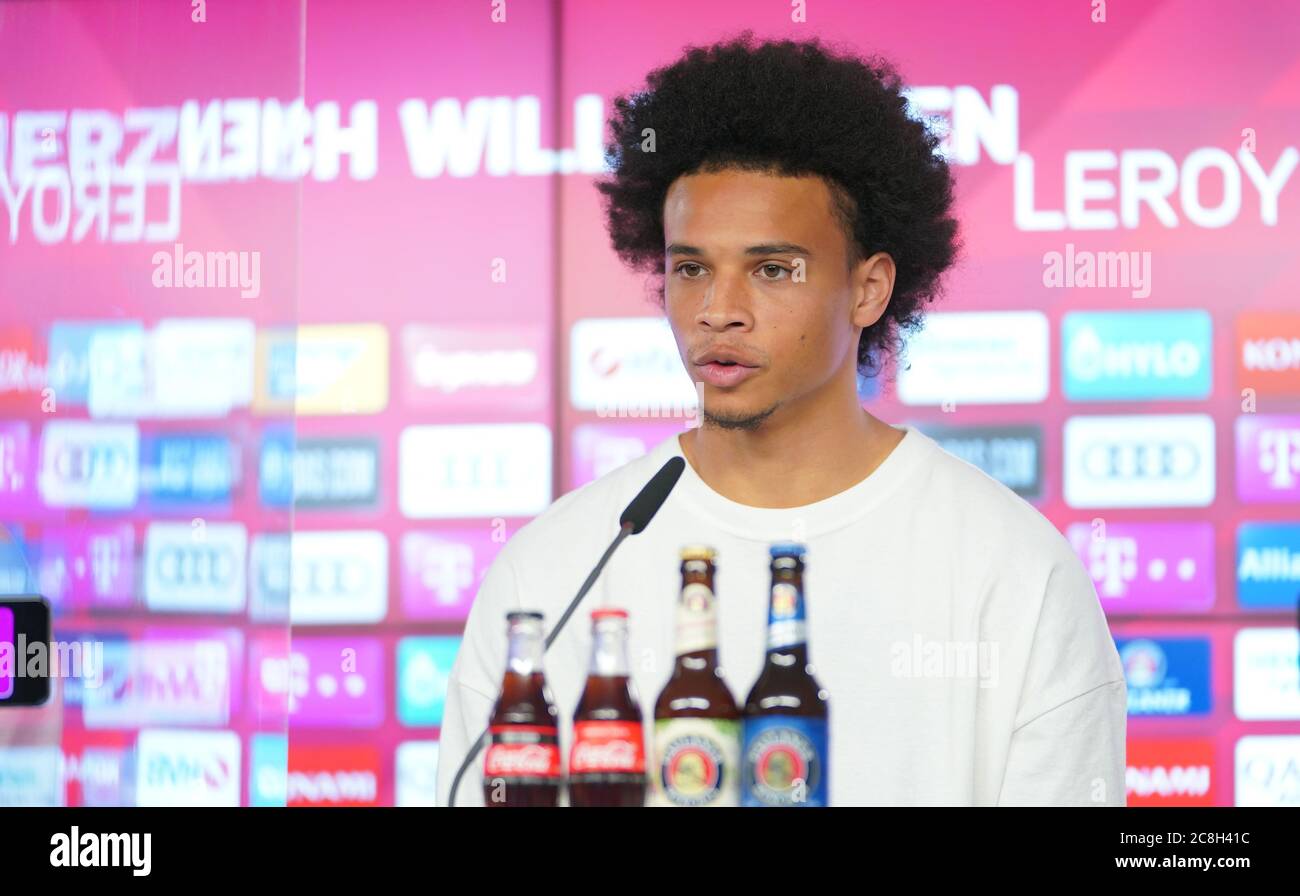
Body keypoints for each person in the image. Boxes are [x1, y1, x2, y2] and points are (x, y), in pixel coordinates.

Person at [436, 32, 1126, 807]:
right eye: (691, 269)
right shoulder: (556, 573)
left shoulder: (1015, 572)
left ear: (868, 290)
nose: (718, 311)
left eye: (772, 270)